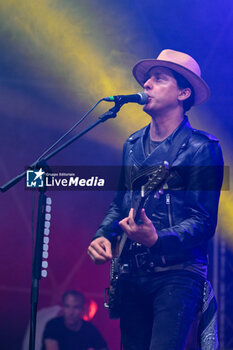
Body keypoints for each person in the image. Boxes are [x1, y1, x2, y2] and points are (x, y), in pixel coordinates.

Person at [87, 49, 223, 350]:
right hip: (132, 273)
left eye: (158, 79)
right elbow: (119, 203)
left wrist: (157, 239)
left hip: (177, 274)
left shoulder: (202, 149)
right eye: (147, 79)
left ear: (183, 93)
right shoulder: (132, 144)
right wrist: (103, 234)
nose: (146, 84)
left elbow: (204, 222)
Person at [42, 290, 108, 350]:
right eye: (67, 306)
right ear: (63, 308)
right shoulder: (53, 326)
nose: (71, 312)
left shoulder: (90, 329)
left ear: (82, 309)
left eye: (76, 307)